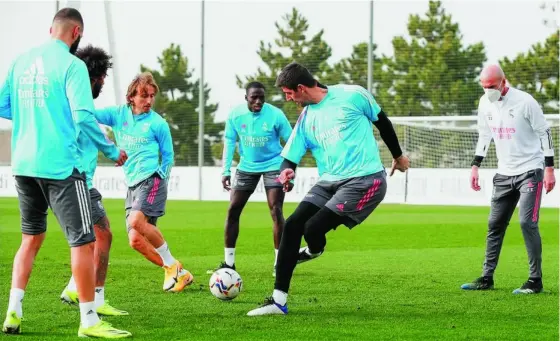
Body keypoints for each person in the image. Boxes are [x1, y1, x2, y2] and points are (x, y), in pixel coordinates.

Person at [0, 8, 131, 338]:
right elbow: (85, 117)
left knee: (30, 239)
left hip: (24, 165)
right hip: (60, 167)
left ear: (51, 29)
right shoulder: (73, 66)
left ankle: (13, 314)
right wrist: (113, 151)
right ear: (77, 34)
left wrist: (35, 113)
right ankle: (89, 322)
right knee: (83, 242)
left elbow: (2, 105)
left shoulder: (21, 61)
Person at [246, 62, 410, 316]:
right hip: (328, 182)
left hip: (365, 180)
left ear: (300, 88)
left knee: (312, 228)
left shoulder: (352, 95)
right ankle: (278, 302)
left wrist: (398, 157)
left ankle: (313, 249)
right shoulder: (306, 118)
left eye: (289, 93)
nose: (288, 99)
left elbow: (383, 122)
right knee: (292, 225)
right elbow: (290, 155)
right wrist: (287, 170)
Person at [94, 72, 193, 293]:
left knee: (137, 221)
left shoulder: (158, 123)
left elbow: (168, 156)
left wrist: (161, 178)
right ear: (131, 97)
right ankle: (178, 271)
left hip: (152, 180)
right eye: (143, 96)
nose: (148, 101)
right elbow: (90, 114)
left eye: (151, 96)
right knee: (135, 241)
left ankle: (172, 266)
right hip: (132, 185)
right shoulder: (119, 115)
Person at [461, 64, 556, 294]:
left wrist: (550, 168)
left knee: (526, 223)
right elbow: (485, 135)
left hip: (530, 171)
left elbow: (545, 132)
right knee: (494, 225)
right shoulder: (485, 103)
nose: (488, 91)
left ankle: (535, 281)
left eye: (491, 86)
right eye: (484, 87)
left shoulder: (525, 101)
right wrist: (475, 165)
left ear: (503, 82)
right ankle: (486, 278)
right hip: (504, 174)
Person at [59, 44, 128, 316]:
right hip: (77, 182)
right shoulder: (80, 101)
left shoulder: (73, 99)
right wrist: (111, 148)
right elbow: (82, 124)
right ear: (96, 78)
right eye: (103, 79)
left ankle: (78, 289)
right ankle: (91, 301)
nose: (102, 84)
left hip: (79, 181)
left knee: (96, 236)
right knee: (95, 237)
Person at [207, 81, 292, 277]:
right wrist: (225, 170)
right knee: (233, 209)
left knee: (276, 209)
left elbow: (291, 141)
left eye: (262, 97)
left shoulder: (276, 115)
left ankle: (279, 263)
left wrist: (289, 170)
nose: (258, 101)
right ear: (246, 97)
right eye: (254, 97)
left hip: (273, 164)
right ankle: (229, 263)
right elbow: (229, 141)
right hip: (246, 167)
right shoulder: (236, 115)